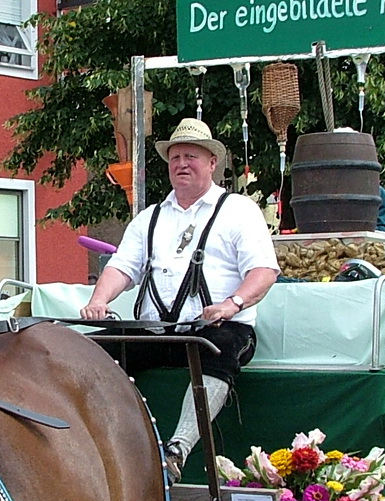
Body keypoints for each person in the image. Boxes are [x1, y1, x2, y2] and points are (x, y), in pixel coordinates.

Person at [81, 118, 279, 480]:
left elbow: (264, 272)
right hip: (160, 331)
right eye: (175, 157)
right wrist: (99, 300)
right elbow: (122, 267)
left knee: (219, 349)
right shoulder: (149, 217)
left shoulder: (238, 210)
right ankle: (90, 445)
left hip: (218, 330)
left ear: (212, 163)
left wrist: (230, 304)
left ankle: (177, 450)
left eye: (191, 156)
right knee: (91, 350)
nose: (182, 164)